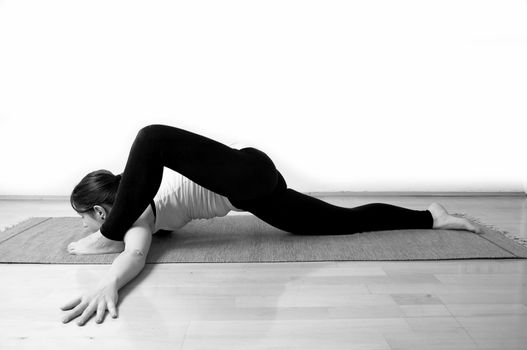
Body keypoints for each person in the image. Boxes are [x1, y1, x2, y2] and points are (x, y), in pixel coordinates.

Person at [60, 124, 480, 326]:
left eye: (87, 219)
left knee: (150, 137)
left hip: (244, 174)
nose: (84, 226)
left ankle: (431, 217)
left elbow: (134, 250)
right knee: (343, 222)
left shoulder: (133, 215)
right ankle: (432, 216)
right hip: (256, 190)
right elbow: (137, 248)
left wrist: (108, 269)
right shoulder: (140, 207)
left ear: (100, 213)